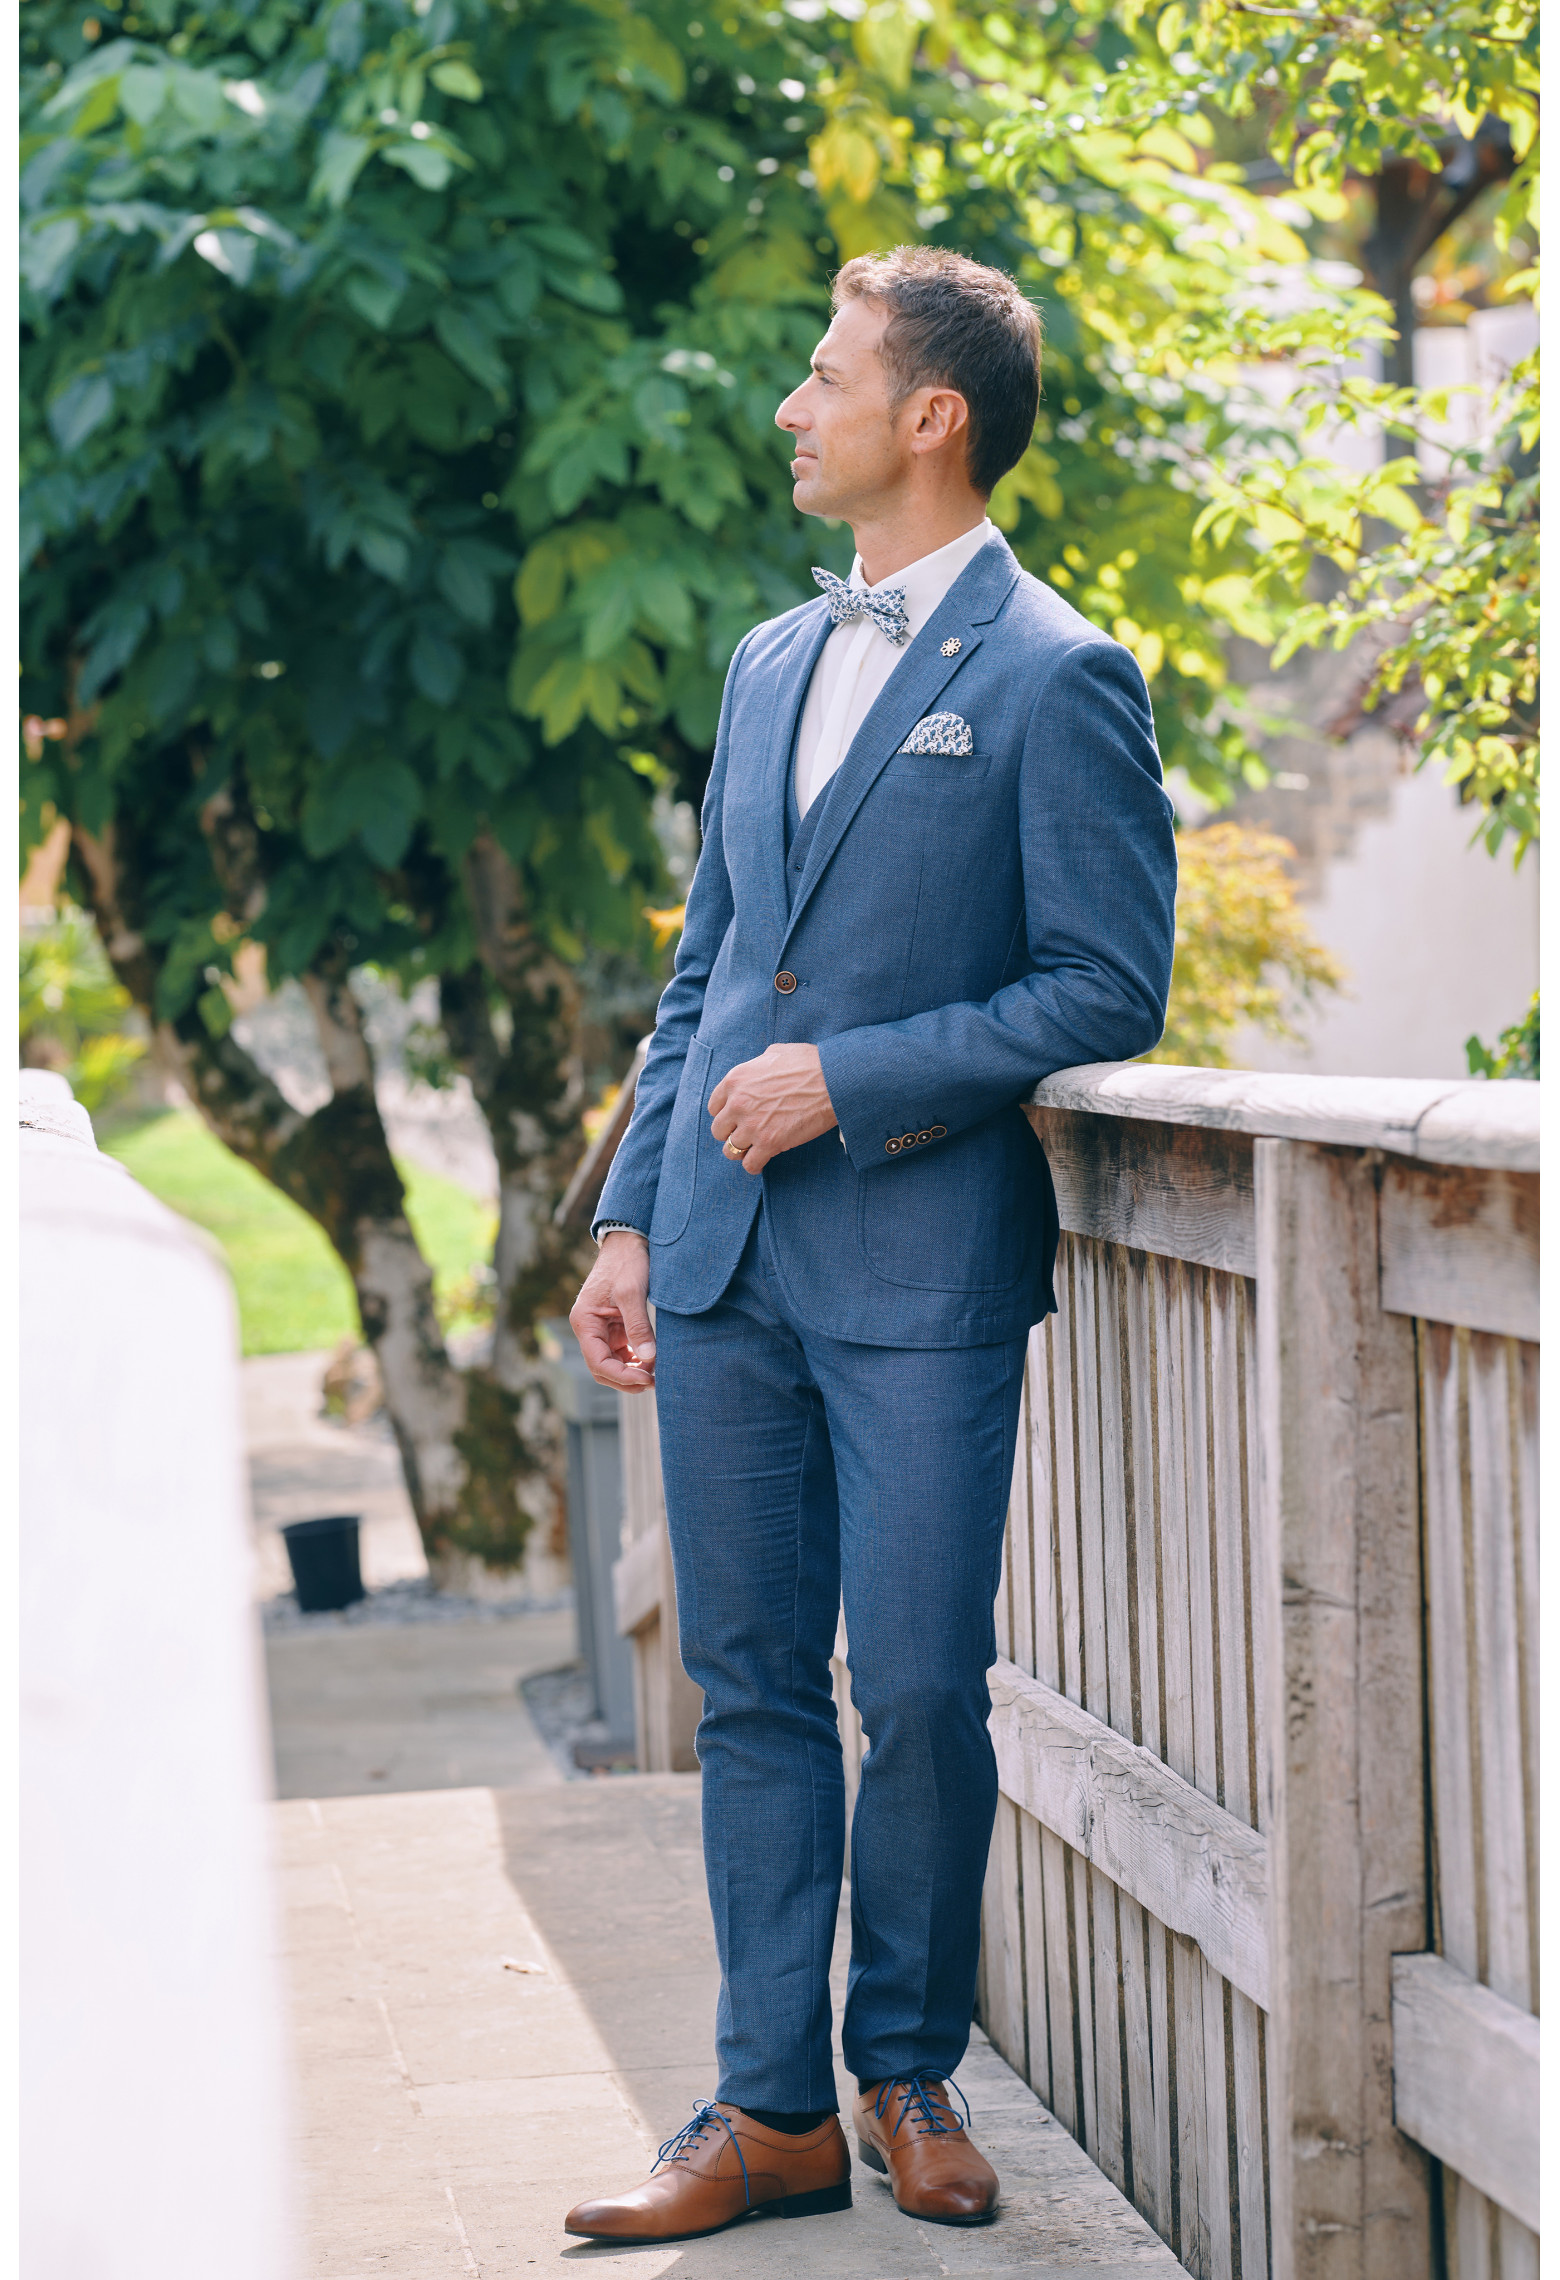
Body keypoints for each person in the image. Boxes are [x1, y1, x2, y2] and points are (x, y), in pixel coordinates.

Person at [564, 245, 1176, 2245]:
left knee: (913, 1686)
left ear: (933, 418)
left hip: (921, 1268)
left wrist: (857, 1076)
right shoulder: (763, 658)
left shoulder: (1057, 674)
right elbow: (709, 969)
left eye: (822, 378)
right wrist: (635, 1214)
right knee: (748, 1692)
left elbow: (1104, 982)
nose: (787, 407)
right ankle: (767, 2115)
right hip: (727, 1264)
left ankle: (905, 2069)